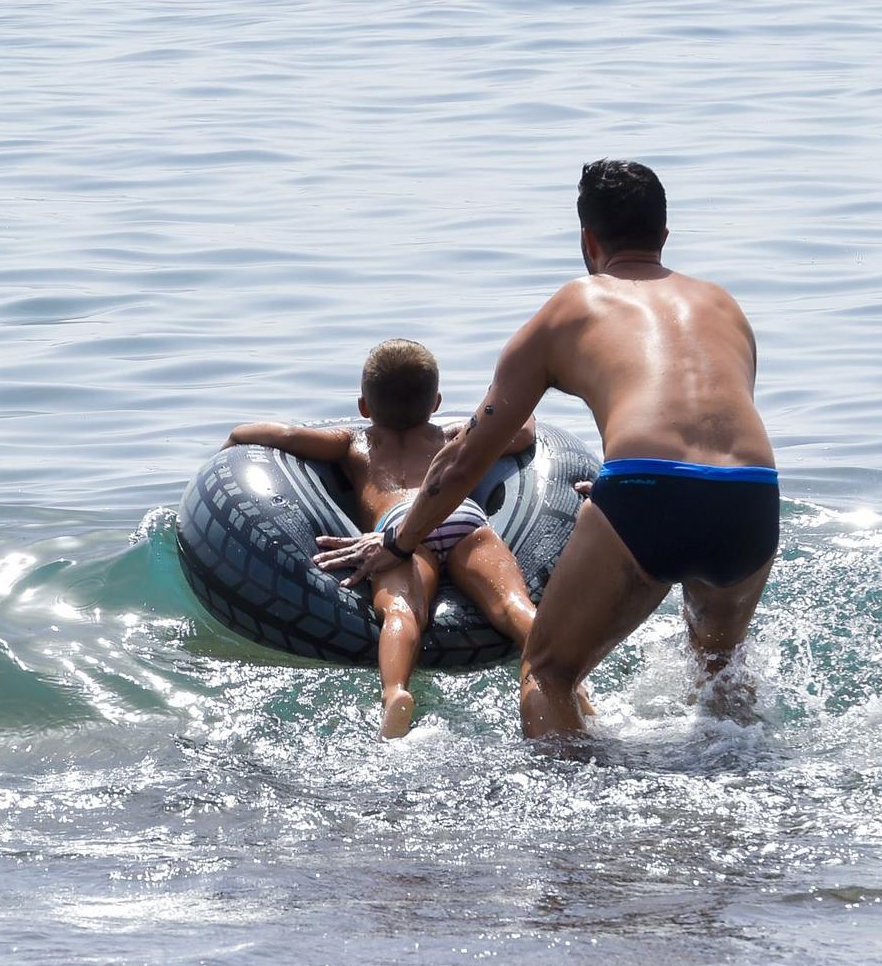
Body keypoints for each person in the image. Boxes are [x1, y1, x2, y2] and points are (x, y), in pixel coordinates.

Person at [314, 159, 779, 740]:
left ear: (588, 240)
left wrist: (398, 539)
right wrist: (623, 486)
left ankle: (576, 817)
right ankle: (738, 789)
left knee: (549, 673)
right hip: (752, 496)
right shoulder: (725, 307)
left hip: (647, 491)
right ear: (664, 235)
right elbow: (699, 434)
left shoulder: (570, 308)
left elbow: (464, 459)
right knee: (718, 669)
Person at [225, 339, 543, 739]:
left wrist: (234, 441)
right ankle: (556, 676)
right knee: (511, 602)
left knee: (404, 612)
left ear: (364, 406)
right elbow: (524, 430)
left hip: (399, 529)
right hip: (461, 516)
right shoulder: (451, 437)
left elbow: (280, 435)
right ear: (437, 401)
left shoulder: (352, 442)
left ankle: (395, 693)